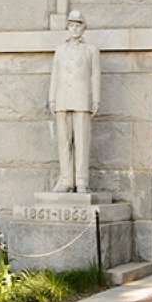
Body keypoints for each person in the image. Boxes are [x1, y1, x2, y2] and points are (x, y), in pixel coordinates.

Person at [48, 11, 101, 193]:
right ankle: (65, 180)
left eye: (78, 25)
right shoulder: (60, 50)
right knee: (64, 141)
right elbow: (55, 74)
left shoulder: (91, 50)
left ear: (83, 28)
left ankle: (81, 180)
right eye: (71, 24)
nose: (74, 28)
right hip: (62, 98)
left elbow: (95, 75)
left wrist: (96, 99)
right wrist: (52, 98)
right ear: (67, 27)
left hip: (82, 99)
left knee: (82, 141)